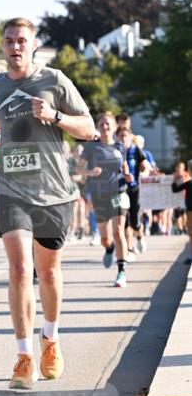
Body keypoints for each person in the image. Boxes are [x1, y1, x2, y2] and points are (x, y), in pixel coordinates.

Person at [0, 17, 95, 390]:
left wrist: (55, 116)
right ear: (3, 45)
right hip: (11, 189)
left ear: (34, 44)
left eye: (21, 41)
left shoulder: (54, 80)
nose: (15, 47)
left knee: (49, 272)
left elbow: (88, 128)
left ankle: (51, 339)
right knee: (21, 269)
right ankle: (24, 356)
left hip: (54, 192)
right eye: (9, 41)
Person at [77, 111, 132, 288]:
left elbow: (123, 167)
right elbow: (79, 169)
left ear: (114, 127)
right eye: (101, 124)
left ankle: (121, 272)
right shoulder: (91, 147)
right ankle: (109, 249)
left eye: (108, 124)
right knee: (105, 239)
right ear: (97, 127)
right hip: (99, 195)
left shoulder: (120, 147)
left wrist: (128, 175)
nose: (105, 127)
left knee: (118, 231)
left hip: (118, 193)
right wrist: (89, 172)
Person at [116, 124, 150, 257]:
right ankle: (128, 249)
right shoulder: (115, 151)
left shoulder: (136, 150)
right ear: (117, 137)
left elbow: (145, 166)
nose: (123, 138)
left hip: (134, 189)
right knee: (124, 221)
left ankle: (140, 237)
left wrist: (144, 171)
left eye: (126, 136)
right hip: (120, 189)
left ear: (130, 137)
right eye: (121, 136)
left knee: (135, 222)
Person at [172, 160, 192, 264]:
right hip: (188, 209)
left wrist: (174, 180)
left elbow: (175, 189)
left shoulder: (188, 182)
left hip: (190, 210)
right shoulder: (187, 182)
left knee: (191, 233)